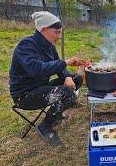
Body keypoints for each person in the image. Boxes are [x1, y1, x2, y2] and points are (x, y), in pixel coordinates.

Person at [9, 11, 87, 146]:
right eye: (56, 32)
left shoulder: (49, 47)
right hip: (25, 95)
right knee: (66, 93)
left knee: (76, 79)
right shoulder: (26, 46)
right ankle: (45, 126)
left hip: (41, 88)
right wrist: (66, 62)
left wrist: (67, 77)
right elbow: (36, 70)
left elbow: (58, 66)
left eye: (60, 32)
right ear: (44, 30)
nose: (59, 36)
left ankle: (57, 112)